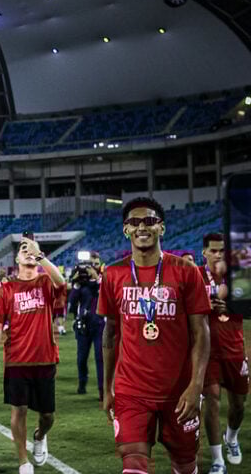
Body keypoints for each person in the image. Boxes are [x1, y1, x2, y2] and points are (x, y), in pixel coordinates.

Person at [98, 197, 210, 474]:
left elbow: (201, 332)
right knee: (133, 462)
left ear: (162, 227)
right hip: (131, 391)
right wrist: (107, 387)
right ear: (125, 230)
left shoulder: (187, 271)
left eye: (149, 220)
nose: (141, 227)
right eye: (133, 222)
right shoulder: (113, 274)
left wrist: (196, 386)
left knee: (184, 464)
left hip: (179, 390)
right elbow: (110, 335)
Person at [0, 237, 67, 474]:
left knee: (48, 415)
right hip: (17, 359)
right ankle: (23, 461)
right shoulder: (7, 289)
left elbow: (62, 284)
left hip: (45, 358)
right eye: (24, 250)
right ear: (16, 259)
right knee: (18, 410)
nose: (29, 252)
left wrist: (40, 256)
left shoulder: (45, 281)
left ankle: (40, 436)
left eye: (33, 250)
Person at [200, 233, 247, 472]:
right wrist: (203, 306)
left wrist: (231, 305)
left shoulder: (238, 275)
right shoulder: (196, 276)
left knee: (238, 405)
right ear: (204, 252)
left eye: (222, 250)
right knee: (212, 403)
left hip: (234, 349)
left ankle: (232, 438)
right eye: (214, 250)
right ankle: (218, 460)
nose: (218, 254)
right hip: (207, 352)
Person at [67, 251, 104, 399]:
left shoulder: (104, 280)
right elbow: (72, 305)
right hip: (83, 326)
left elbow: (105, 294)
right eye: (90, 265)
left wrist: (96, 279)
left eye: (95, 264)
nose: (92, 267)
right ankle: (82, 383)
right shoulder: (81, 284)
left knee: (100, 358)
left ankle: (102, 390)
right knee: (81, 358)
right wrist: (75, 284)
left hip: (100, 325)